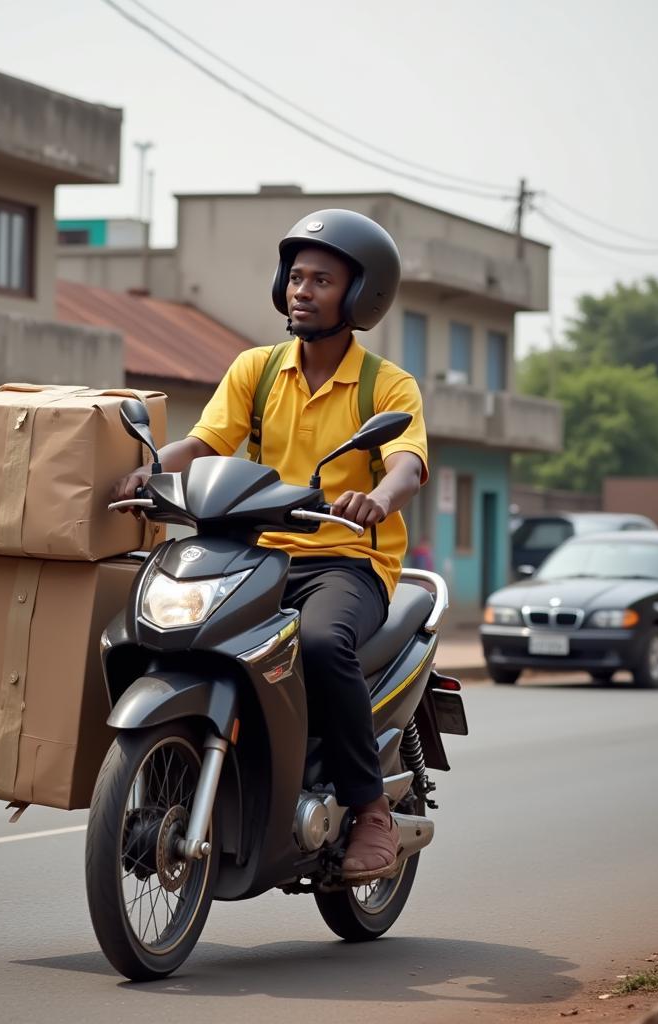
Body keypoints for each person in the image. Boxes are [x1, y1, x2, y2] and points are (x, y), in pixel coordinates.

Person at [112, 209, 428, 881]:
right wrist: (152, 470)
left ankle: (369, 808)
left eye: (321, 279)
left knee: (316, 644)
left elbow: (405, 464)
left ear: (361, 295)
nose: (301, 291)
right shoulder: (256, 370)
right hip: (257, 554)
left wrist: (377, 498)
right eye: (295, 276)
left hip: (346, 561)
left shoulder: (387, 386)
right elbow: (204, 442)